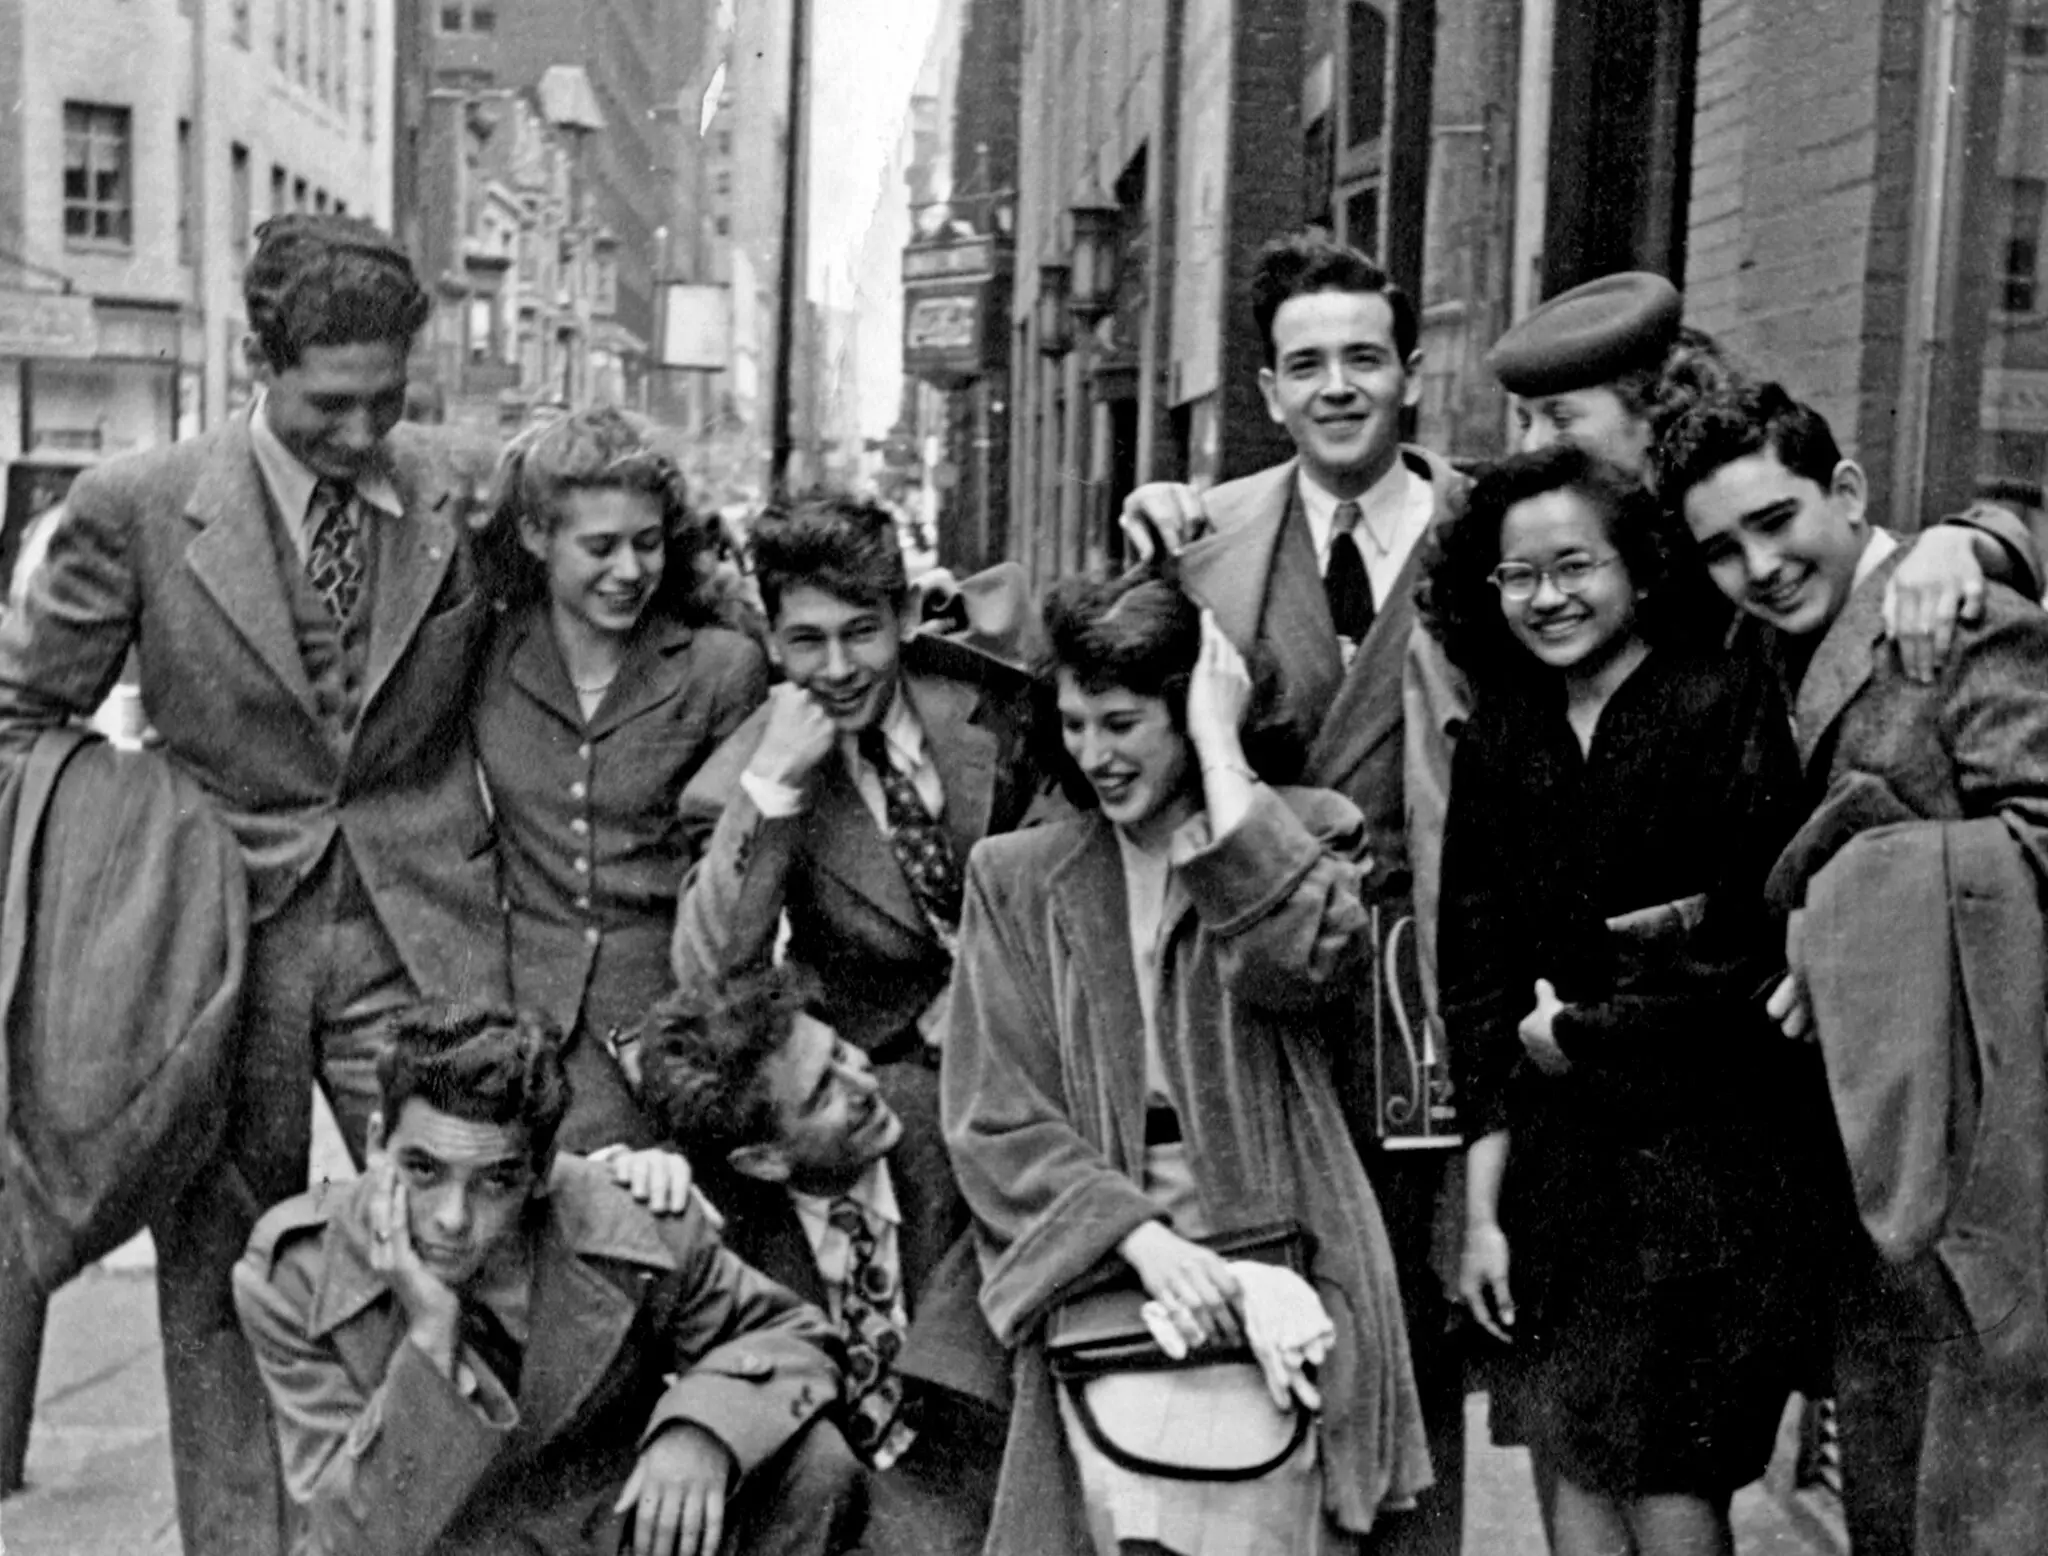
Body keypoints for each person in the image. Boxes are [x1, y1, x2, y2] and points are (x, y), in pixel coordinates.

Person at [0, 213, 509, 1556]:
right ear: (258, 364)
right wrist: (144, 842)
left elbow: (632, 537)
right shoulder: (135, 506)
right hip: (221, 957)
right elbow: (18, 715)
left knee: (474, 1241)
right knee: (223, 1282)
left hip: (424, 939)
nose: (361, 434)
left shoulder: (467, 486)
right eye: (330, 405)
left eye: (387, 402)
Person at [940, 569, 1431, 1556]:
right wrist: (1141, 1239)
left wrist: (1219, 753)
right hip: (1114, 1279)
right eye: (1074, 723)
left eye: (1122, 721)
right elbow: (994, 1114)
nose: (1093, 753)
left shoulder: (1304, 833)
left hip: (1290, 1265)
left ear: (1190, 701)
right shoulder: (1016, 877)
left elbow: (1295, 959)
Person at [1117, 230, 1469, 1555]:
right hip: (1252, 999)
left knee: (1411, 1346)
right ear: (1266, 391)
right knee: (1277, 1333)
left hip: (1418, 1000)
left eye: (1364, 360)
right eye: (1307, 364)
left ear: (1411, 376)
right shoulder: (1206, 536)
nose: (1338, 388)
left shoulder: (1489, 533)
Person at [1658, 381, 2048, 1556]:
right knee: (1894, 1507)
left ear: (1845, 491)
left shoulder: (1954, 614)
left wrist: (1853, 934)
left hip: (1980, 1169)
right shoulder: (1760, 650)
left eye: (1776, 520)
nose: (1758, 564)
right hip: (1857, 1175)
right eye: (1722, 548)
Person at [1426, 444, 1829, 1556]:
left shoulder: (1722, 700)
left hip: (1704, 1175)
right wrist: (1481, 1210)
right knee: (1572, 1480)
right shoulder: (1501, 733)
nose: (1546, 596)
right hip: (1556, 1184)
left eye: (1574, 565)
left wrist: (1578, 1033)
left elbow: (1750, 959)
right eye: (1519, 575)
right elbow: (1478, 980)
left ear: (1638, 569)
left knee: (1670, 1482)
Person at [231, 1001, 863, 1556]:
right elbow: (348, 1544)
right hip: (440, 1542)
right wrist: (430, 1340)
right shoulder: (297, 1275)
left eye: (494, 1181)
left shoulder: (619, 1215)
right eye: (423, 1170)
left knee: (816, 1464)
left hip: (602, 1531)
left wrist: (705, 1426)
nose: (452, 1218)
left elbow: (792, 1334)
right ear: (375, 1143)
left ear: (540, 1175)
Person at [672, 491, 1056, 1068]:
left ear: (903, 617)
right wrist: (773, 783)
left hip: (1043, 1030)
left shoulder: (993, 704)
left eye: (859, 632)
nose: (837, 670)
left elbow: (1066, 862)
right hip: (892, 1080)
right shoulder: (743, 778)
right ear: (773, 638)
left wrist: (984, 990)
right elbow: (710, 979)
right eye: (806, 640)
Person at [473, 407, 768, 1146]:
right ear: (537, 536)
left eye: (647, 543)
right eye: (600, 547)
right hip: (518, 1025)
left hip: (665, 1024)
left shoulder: (719, 668)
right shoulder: (485, 655)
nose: (630, 571)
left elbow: (737, 872)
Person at [643, 967, 1007, 1556]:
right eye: (822, 1093)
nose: (862, 1083)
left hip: (961, 1494)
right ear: (762, 1161)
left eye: (841, 1049)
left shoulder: (945, 1117)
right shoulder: (708, 1211)